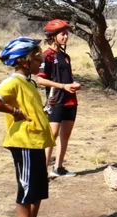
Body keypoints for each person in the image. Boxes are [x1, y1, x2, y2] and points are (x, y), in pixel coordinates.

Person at [0, 37, 57, 217]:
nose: (40, 62)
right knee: (26, 190)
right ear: (24, 61)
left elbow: (30, 110)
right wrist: (13, 111)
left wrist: (44, 109)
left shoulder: (29, 82)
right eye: (37, 59)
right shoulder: (13, 81)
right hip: (23, 143)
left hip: (35, 142)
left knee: (37, 189)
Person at [35, 19, 82, 178]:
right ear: (53, 36)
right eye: (63, 34)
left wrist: (73, 84)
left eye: (67, 33)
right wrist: (62, 86)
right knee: (51, 137)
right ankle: (42, 171)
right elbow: (40, 80)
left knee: (65, 137)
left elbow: (66, 78)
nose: (66, 36)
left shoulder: (66, 56)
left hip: (71, 101)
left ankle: (58, 167)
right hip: (56, 101)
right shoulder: (46, 56)